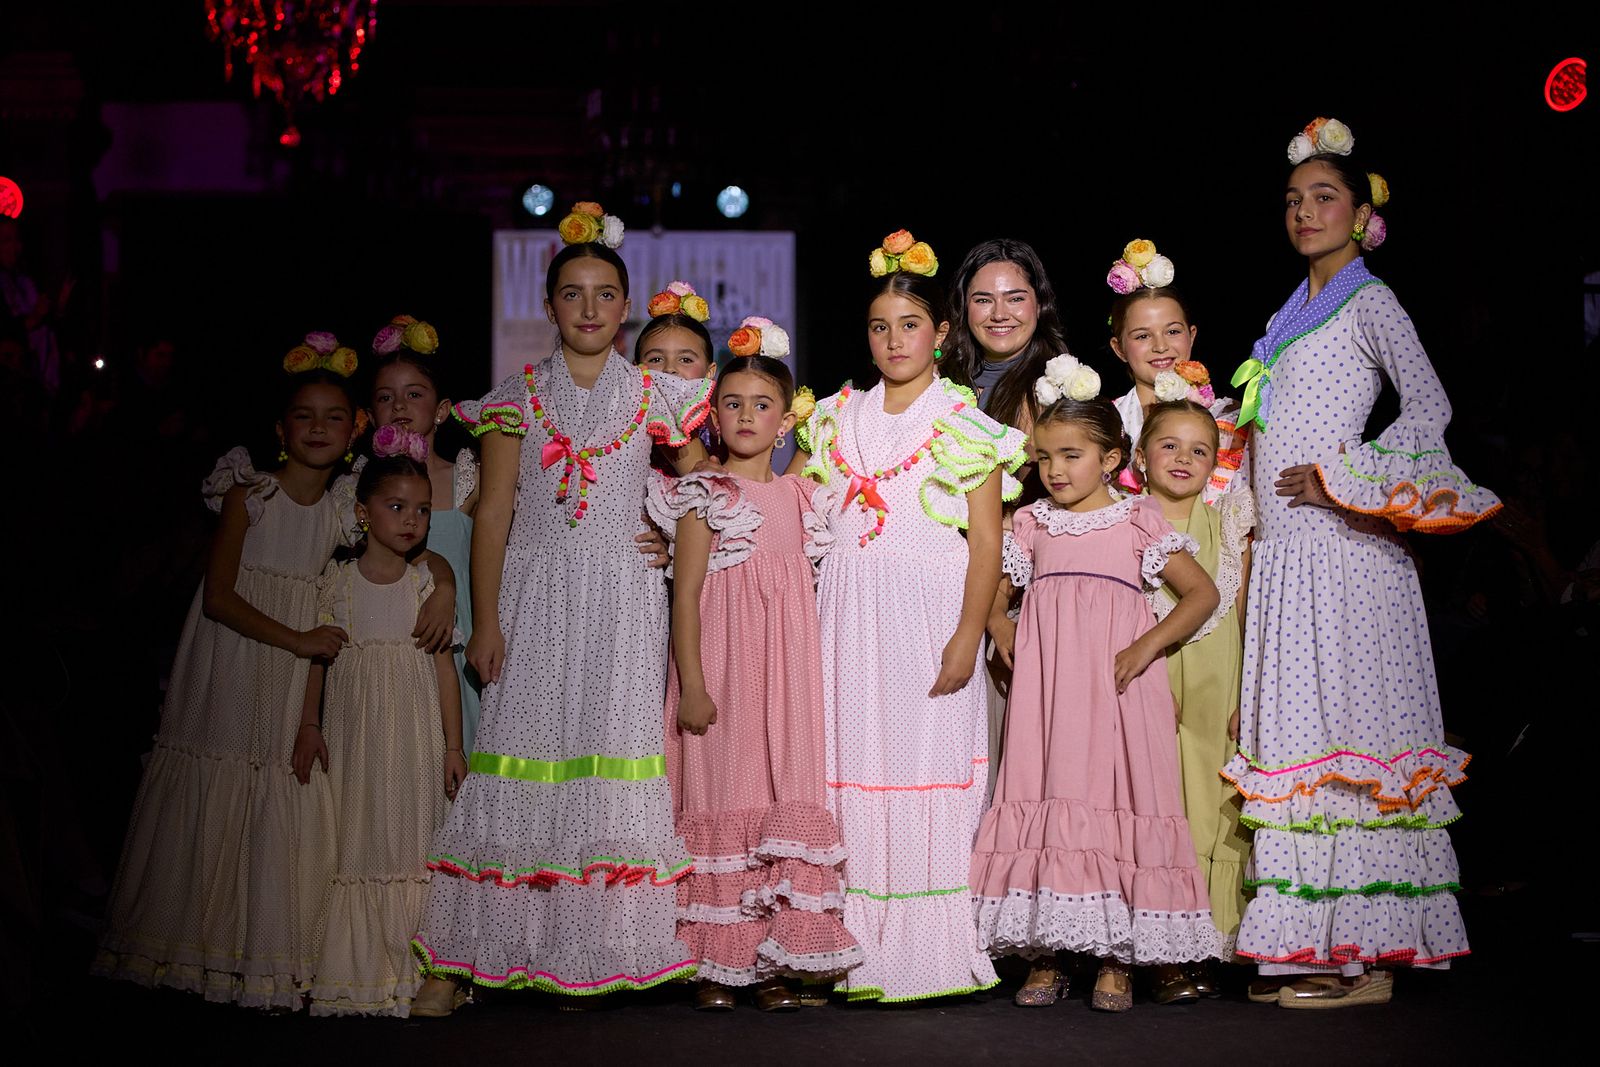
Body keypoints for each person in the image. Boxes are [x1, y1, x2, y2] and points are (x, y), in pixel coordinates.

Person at [1223, 118, 1500, 1007]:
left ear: (1362, 214)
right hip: (1289, 555)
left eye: (1325, 197)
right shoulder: (1286, 312)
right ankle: (1311, 940)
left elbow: (1430, 406)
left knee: (1352, 738)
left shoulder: (1371, 300)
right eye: (1295, 200)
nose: (1306, 212)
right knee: (1301, 744)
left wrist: (1348, 477)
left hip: (1346, 553)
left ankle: (1371, 957)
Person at [410, 202, 712, 1012]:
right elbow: (497, 513)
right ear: (549, 306)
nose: (588, 308)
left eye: (604, 294)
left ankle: (590, 948)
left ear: (624, 306)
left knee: (606, 760)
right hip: (537, 596)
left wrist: (667, 534)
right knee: (518, 755)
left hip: (622, 599)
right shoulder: (516, 398)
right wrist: (487, 619)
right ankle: (470, 956)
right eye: (572, 293)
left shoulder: (657, 394)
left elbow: (702, 484)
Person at [789, 230, 1027, 1003]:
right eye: (879, 326)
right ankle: (849, 941)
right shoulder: (833, 416)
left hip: (929, 615)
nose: (894, 340)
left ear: (943, 333)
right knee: (852, 765)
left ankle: (925, 947)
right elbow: (784, 501)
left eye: (911, 324)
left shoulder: (964, 420)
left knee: (922, 767)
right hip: (849, 618)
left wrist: (967, 634)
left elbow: (986, 541)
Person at [92, 338, 365, 1007]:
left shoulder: (339, 514)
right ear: (280, 428)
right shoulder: (251, 493)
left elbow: (324, 626)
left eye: (335, 415)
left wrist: (308, 713)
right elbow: (218, 595)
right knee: (212, 777)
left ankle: (251, 956)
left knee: (273, 789)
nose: (320, 427)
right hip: (231, 660)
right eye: (305, 414)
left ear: (354, 430)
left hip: (289, 672)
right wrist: (297, 636)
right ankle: (185, 946)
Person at [974, 358, 1222, 1012]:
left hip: (1117, 691)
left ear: (1111, 457)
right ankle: (1048, 954)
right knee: (1051, 792)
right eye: (1045, 456)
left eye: (1072, 455)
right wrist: (1002, 626)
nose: (1055, 470)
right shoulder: (1033, 524)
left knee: (1117, 801)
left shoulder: (1136, 522)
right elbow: (996, 595)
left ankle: (1118, 959)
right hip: (1050, 695)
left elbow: (1201, 594)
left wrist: (1145, 645)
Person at [648, 328, 861, 1011]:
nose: (745, 415)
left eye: (761, 403)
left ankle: (773, 960)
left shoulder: (802, 497)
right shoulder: (702, 493)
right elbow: (685, 594)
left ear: (784, 419)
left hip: (785, 674)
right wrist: (695, 683)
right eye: (732, 402)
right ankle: (715, 960)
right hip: (723, 671)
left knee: (778, 791)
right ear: (713, 415)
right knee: (722, 789)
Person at [297, 432, 468, 1016]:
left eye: (421, 510)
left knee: (414, 837)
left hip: (415, 733)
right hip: (356, 734)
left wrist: (453, 746)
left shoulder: (426, 585)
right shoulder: (336, 584)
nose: (411, 520)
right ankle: (361, 969)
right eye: (396, 508)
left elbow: (445, 670)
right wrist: (309, 725)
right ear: (363, 512)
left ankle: (419, 970)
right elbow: (318, 661)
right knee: (359, 835)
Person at [1132, 395, 1255, 998]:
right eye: (1169, 445)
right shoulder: (1125, 519)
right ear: (1140, 455)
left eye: (1199, 450)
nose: (1183, 458)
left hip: (1217, 676)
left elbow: (1247, 607)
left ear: (1215, 462)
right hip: (1150, 674)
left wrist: (1249, 692)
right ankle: (1157, 942)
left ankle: (1211, 936)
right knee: (1158, 804)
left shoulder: (1226, 520)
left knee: (1212, 802)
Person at [367, 315, 484, 751]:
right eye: (385, 397)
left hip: (455, 643)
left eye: (413, 395)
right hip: (386, 642)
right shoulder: (358, 487)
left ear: (440, 410)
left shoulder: (466, 477)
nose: (399, 406)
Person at [1104, 239, 1248, 502]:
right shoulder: (1104, 425)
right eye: (1142, 336)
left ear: (1191, 336)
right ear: (1119, 348)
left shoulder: (1230, 421)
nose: (1161, 346)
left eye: (1172, 331)